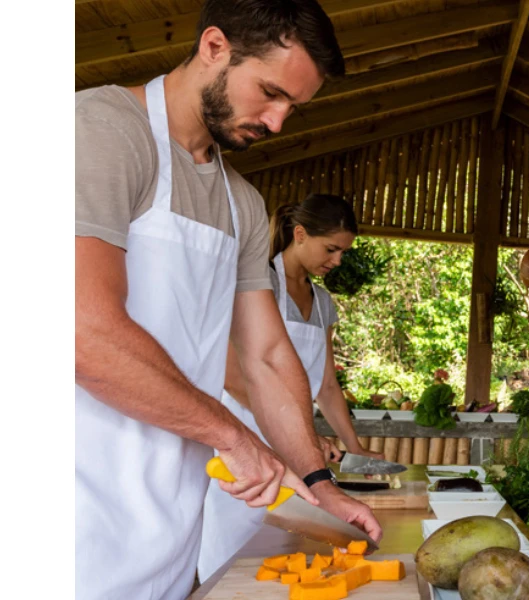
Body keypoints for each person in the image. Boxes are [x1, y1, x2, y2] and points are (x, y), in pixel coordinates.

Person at [75, 2, 379, 598]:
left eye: (293, 106)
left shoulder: (241, 203)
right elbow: (82, 331)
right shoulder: (101, 131)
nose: (277, 122)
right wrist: (235, 438)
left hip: (170, 531)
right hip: (70, 514)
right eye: (269, 92)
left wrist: (318, 484)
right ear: (215, 46)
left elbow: (266, 355)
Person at [198, 194, 383, 580]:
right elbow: (233, 374)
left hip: (297, 446)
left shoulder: (323, 302)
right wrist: (301, 433)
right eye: (331, 249)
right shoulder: (255, 282)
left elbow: (327, 385)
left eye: (343, 252)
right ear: (299, 234)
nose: (337, 260)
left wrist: (355, 447)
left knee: (287, 560)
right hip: (244, 443)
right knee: (234, 564)